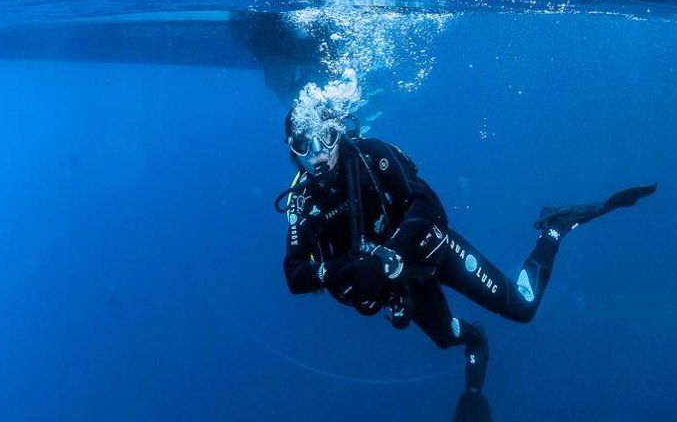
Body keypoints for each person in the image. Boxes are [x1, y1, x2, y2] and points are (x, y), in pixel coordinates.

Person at [276, 72, 657, 422]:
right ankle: (474, 339)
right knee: (447, 338)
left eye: (326, 137)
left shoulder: (373, 155)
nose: (319, 154)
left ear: (339, 132)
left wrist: (387, 254)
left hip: (434, 251)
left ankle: (555, 229)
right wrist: (331, 272)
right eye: (303, 144)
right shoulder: (303, 203)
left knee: (523, 307)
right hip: (406, 284)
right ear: (292, 152)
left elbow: (427, 205)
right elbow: (294, 274)